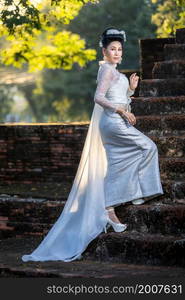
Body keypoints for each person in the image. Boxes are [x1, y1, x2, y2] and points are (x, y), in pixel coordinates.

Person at [21, 27, 164, 263]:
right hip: (114, 123)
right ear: (104, 51)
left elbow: (117, 97)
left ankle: (109, 209)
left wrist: (130, 89)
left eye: (119, 49)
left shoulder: (113, 71)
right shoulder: (106, 70)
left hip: (114, 121)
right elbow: (98, 98)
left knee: (118, 163)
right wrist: (121, 110)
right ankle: (140, 193)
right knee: (148, 147)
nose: (117, 53)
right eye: (112, 49)